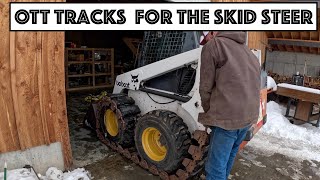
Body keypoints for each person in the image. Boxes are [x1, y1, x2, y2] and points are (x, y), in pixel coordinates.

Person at [198, 31, 261, 180]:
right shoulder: (248, 52)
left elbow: (205, 87)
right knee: (228, 158)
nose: (205, 41)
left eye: (205, 37)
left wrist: (209, 111)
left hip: (228, 119)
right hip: (247, 117)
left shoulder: (213, 46)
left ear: (212, 32)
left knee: (215, 168)